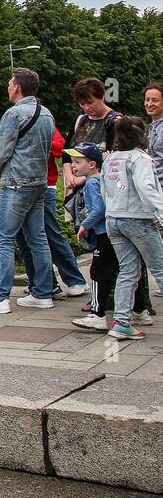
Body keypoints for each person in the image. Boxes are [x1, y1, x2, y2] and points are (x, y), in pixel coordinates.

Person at [0, 68, 55, 315]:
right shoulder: (47, 114)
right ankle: (43, 292)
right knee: (38, 238)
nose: (8, 87)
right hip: (39, 183)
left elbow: (2, 149)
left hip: (16, 183)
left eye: (10, 83)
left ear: (17, 87)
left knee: (4, 238)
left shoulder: (14, 114)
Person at [66, 143, 148, 332]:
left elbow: (99, 208)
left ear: (93, 164)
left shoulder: (92, 183)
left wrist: (86, 225)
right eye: (72, 162)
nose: (73, 166)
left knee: (98, 273)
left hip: (105, 234)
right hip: (115, 232)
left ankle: (97, 314)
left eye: (78, 162)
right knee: (126, 271)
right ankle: (139, 311)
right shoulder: (101, 179)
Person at [101, 116, 163, 341]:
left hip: (114, 218)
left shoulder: (111, 159)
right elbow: (146, 187)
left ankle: (121, 322)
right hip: (138, 219)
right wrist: (161, 213)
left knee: (128, 271)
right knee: (160, 267)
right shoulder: (141, 159)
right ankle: (122, 322)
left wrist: (112, 210)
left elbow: (104, 191)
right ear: (141, 135)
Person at [15, 124, 88, 303]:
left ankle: (74, 280)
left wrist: (37, 143)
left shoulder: (45, 125)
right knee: (28, 236)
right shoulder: (15, 123)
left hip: (46, 185)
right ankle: (43, 282)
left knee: (50, 232)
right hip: (23, 184)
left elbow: (61, 149)